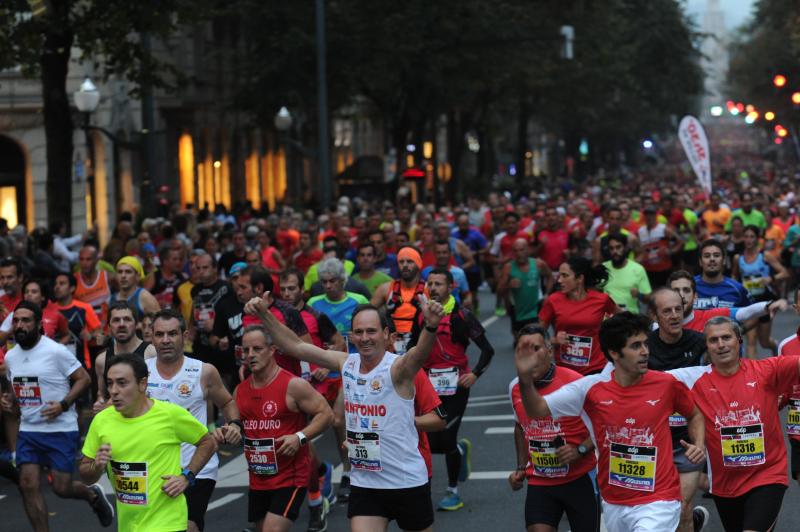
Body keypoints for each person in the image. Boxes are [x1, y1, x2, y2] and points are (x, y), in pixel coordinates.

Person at [244, 292, 445, 532]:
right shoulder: (346, 363)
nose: (364, 338)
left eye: (371, 331)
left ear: (385, 334)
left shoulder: (397, 368)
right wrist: (265, 314)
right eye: (358, 332)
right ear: (351, 335)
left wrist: (431, 326)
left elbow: (419, 354)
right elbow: (295, 346)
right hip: (366, 482)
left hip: (406, 481)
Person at [514, 311, 706, 532]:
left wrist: (699, 444)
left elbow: (694, 414)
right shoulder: (590, 389)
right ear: (614, 352)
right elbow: (537, 410)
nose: (645, 352)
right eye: (635, 346)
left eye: (645, 344)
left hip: (659, 499)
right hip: (615, 500)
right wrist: (525, 378)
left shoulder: (667, 384)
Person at [669, 316, 800, 532]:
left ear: (739, 340)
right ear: (707, 346)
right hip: (725, 485)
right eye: (713, 340)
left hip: (767, 476)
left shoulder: (766, 370)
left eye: (726, 337)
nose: (721, 345)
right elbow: (645, 379)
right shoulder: (692, 378)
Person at [1, 301, 114, 531]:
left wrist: (63, 404)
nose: (20, 325)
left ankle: (92, 495)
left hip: (60, 428)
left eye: (26, 321)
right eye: (16, 321)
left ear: (38, 324)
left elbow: (83, 379)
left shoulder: (55, 351)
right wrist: (10, 401)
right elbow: (18, 387)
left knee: (61, 488)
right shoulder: (11, 358)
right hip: (29, 430)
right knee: (27, 484)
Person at [79, 354, 218, 531]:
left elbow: (208, 443)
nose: (114, 390)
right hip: (129, 525)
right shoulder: (102, 420)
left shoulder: (169, 415)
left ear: (142, 384)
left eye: (122, 383)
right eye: (110, 383)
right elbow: (85, 473)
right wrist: (97, 466)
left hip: (167, 522)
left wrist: (186, 477)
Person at [147, 309, 243, 532]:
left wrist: (234, 425)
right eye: (159, 335)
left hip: (198, 467)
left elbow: (228, 403)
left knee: (188, 526)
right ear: (151, 337)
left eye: (172, 334)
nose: (166, 340)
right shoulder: (142, 373)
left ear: (185, 335)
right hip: (154, 467)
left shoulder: (203, 372)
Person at [408, 267, 495, 511]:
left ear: (450, 288)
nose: (433, 288)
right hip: (428, 387)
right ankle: (457, 451)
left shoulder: (462, 316)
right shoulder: (420, 314)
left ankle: (453, 490)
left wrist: (474, 374)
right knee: (428, 439)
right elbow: (413, 348)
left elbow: (488, 350)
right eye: (430, 284)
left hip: (456, 387)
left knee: (445, 436)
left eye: (439, 284)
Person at [235, 325, 334, 532]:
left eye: (257, 349)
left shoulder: (292, 385)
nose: (250, 355)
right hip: (258, 478)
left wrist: (299, 437)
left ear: (272, 350)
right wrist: (229, 431)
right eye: (246, 350)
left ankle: (317, 498)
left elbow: (326, 414)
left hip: (291, 477)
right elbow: (235, 425)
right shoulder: (240, 390)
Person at [507, 325, 599, 532]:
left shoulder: (576, 383)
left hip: (580, 478)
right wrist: (521, 468)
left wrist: (580, 450)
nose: (530, 356)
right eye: (523, 349)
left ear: (549, 350)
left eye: (536, 348)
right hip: (540, 481)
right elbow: (520, 427)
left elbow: (603, 427)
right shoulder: (515, 387)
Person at [646, 289, 710, 532]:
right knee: (660, 511)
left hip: (688, 441)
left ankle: (689, 519)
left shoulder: (700, 342)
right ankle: (693, 522)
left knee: (681, 507)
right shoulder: (644, 348)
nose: (674, 315)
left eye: (678, 309)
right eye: (667, 311)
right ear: (654, 315)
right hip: (653, 443)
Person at [538, 257, 618, 375]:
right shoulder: (553, 300)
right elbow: (535, 335)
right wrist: (553, 340)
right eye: (559, 275)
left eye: (565, 276)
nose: (559, 280)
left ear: (579, 278)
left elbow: (622, 319)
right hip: (564, 370)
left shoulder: (602, 300)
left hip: (596, 367)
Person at [731, 225, 789, 357]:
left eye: (752, 237)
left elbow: (784, 273)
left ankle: (774, 345)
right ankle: (754, 376)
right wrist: (737, 287)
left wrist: (771, 278)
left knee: (764, 342)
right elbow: (734, 276)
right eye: (746, 236)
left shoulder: (765, 255)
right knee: (751, 340)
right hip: (748, 303)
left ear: (757, 239)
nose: (748, 240)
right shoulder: (738, 258)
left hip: (764, 303)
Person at [667, 269, 787, 334]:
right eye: (676, 290)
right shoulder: (659, 325)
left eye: (686, 290)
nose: (681, 295)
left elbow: (744, 312)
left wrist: (769, 305)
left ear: (695, 297)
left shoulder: (708, 316)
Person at [93, 301, 157, 408]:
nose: (121, 324)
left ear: (137, 324)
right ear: (109, 326)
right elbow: (102, 396)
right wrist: (99, 403)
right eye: (116, 320)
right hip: (116, 421)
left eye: (127, 319)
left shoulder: (152, 354)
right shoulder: (101, 360)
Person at [371, 246, 428, 355]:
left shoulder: (428, 289)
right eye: (401, 262)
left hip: (419, 343)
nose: (405, 265)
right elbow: (366, 312)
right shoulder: (386, 289)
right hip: (391, 344)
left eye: (410, 261)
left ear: (419, 264)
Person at [308, 258, 369, 353]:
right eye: (324, 282)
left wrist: (359, 336)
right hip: (325, 359)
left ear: (342, 279)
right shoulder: (313, 303)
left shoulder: (359, 300)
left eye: (332, 281)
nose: (328, 286)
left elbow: (373, 329)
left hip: (356, 357)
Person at [498, 238, 553, 332]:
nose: (519, 253)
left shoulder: (538, 264)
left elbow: (550, 277)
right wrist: (509, 286)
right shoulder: (508, 267)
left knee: (536, 338)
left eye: (522, 250)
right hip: (517, 309)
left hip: (536, 308)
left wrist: (547, 294)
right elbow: (499, 290)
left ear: (528, 249)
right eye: (515, 250)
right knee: (519, 341)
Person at [52, 271, 104, 370]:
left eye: (62, 283)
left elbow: (100, 334)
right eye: (55, 284)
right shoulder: (49, 309)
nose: (57, 287)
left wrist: (91, 336)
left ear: (72, 288)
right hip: (55, 365)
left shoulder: (84, 308)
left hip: (81, 364)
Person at [0, 279, 69, 347]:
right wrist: (12, 328)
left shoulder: (55, 315)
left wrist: (56, 348)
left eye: (34, 292)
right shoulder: (15, 315)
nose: (29, 294)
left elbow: (66, 335)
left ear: (43, 297)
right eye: (26, 292)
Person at [693, 239, 752, 310]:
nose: (712, 259)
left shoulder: (738, 289)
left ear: (724, 260)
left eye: (716, 255)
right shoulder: (689, 285)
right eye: (707, 256)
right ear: (700, 262)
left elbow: (753, 315)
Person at [602, 232, 651, 313]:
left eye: (618, 247)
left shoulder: (638, 269)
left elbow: (648, 298)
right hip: (608, 320)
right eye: (611, 248)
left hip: (631, 319)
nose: (615, 251)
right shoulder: (603, 268)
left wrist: (639, 295)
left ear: (625, 248)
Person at [636, 204, 684, 288]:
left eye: (651, 214)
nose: (648, 217)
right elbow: (639, 249)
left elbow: (680, 242)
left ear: (656, 215)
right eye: (646, 215)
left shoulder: (663, 229)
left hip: (664, 269)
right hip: (648, 269)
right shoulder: (640, 231)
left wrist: (671, 251)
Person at [421, 239, 474, 309]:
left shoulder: (459, 273)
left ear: (450, 253)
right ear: (434, 253)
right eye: (438, 252)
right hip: (432, 312)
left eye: (444, 252)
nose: (441, 255)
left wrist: (468, 300)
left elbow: (467, 293)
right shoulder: (425, 272)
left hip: (455, 313)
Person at [73, 244, 115, 326]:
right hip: (86, 331)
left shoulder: (107, 276)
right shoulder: (74, 280)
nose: (84, 263)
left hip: (107, 329)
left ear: (96, 260)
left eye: (88, 259)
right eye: (81, 259)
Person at [143, 245, 187, 310]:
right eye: (174, 259)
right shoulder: (154, 276)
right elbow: (142, 297)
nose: (178, 262)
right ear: (165, 261)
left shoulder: (182, 276)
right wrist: (156, 301)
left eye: (179, 259)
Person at [0, 257, 23, 322]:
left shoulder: (28, 300)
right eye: (2, 277)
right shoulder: (1, 300)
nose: (5, 282)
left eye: (9, 277)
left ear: (20, 277)